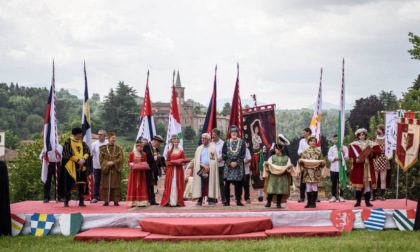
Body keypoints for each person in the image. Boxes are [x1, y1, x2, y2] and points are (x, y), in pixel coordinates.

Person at [349, 128, 381, 207]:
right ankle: (358, 202)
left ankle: (367, 202)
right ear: (358, 136)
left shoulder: (370, 143)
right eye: (360, 135)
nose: (361, 136)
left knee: (367, 184)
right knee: (359, 185)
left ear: (365, 135)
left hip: (368, 166)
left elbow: (378, 151)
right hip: (359, 167)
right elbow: (351, 154)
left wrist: (371, 153)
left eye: (363, 135)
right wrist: (356, 159)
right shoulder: (354, 144)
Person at [59, 127, 91, 207]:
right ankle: (66, 201)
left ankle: (81, 201)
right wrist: (77, 160)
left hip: (81, 164)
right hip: (71, 166)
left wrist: (83, 159)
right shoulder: (68, 142)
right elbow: (66, 154)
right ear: (75, 134)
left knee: (82, 183)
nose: (81, 135)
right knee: (69, 183)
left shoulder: (82, 143)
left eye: (81, 134)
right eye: (79, 134)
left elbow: (87, 151)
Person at [297, 136, 325, 208]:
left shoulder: (318, 152)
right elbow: (302, 162)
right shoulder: (305, 152)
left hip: (316, 171)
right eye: (311, 141)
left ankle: (313, 202)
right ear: (308, 142)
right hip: (307, 171)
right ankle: (309, 202)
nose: (313, 142)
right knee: (308, 187)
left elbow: (322, 163)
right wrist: (300, 162)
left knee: (314, 186)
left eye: (314, 141)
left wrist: (322, 163)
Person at [192, 133, 219, 206]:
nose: (202, 140)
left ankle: (210, 200)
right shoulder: (199, 148)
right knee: (200, 185)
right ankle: (199, 200)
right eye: (202, 138)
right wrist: (203, 165)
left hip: (210, 169)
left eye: (204, 138)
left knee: (210, 184)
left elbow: (214, 160)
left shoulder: (212, 149)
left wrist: (209, 167)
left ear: (208, 140)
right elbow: (196, 160)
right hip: (201, 168)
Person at [263, 143, 294, 208]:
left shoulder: (286, 158)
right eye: (275, 149)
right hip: (273, 176)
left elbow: (289, 166)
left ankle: (278, 203)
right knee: (271, 190)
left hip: (282, 176)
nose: (275, 150)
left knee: (280, 190)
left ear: (280, 149)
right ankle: (268, 203)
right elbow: (269, 165)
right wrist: (267, 165)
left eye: (276, 149)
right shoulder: (272, 157)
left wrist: (287, 169)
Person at [222, 125, 246, 206]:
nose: (234, 133)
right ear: (230, 133)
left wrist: (236, 162)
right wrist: (230, 162)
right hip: (228, 166)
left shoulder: (242, 142)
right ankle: (227, 201)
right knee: (227, 184)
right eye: (232, 132)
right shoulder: (226, 142)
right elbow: (224, 154)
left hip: (238, 166)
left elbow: (243, 154)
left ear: (238, 133)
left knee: (238, 184)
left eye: (235, 132)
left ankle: (238, 200)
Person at [161, 134, 186, 207]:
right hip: (171, 170)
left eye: (177, 142)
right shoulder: (169, 151)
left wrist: (181, 163)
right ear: (172, 142)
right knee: (170, 184)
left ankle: (178, 201)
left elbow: (183, 161)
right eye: (174, 142)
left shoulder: (181, 151)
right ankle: (170, 200)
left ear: (179, 142)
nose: (176, 143)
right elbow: (167, 161)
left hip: (178, 170)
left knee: (177, 184)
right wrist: (170, 163)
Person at [99, 132, 124, 206]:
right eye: (113, 138)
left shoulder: (118, 148)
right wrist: (106, 163)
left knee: (116, 185)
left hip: (115, 170)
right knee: (106, 184)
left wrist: (114, 162)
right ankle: (106, 201)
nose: (114, 139)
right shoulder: (103, 148)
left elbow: (121, 158)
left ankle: (116, 201)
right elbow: (101, 159)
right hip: (106, 170)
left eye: (115, 138)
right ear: (108, 138)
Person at [143, 135, 165, 205]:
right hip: (148, 169)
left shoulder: (157, 149)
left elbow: (159, 160)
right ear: (155, 141)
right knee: (149, 184)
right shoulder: (147, 146)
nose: (159, 145)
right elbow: (146, 157)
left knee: (152, 184)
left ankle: (152, 200)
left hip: (154, 170)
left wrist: (160, 158)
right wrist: (154, 157)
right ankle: (149, 199)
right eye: (159, 143)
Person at [372, 124, 392, 201]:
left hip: (384, 158)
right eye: (377, 129)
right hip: (376, 159)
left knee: (383, 179)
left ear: (383, 130)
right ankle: (373, 195)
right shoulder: (374, 139)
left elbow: (390, 149)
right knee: (375, 178)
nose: (378, 130)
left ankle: (382, 195)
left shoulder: (387, 139)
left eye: (379, 129)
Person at [126, 139, 148, 207]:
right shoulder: (132, 154)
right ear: (137, 146)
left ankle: (141, 202)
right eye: (140, 147)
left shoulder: (144, 154)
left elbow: (145, 162)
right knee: (133, 186)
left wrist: (142, 165)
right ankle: (132, 201)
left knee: (141, 185)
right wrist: (131, 164)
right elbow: (128, 162)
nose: (141, 148)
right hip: (134, 173)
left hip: (141, 173)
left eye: (142, 147)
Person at [327, 134, 349, 202]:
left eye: (337, 139)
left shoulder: (344, 148)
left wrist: (343, 152)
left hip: (341, 168)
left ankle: (341, 196)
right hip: (334, 168)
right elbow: (329, 157)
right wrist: (335, 158)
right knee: (334, 183)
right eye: (335, 139)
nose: (336, 140)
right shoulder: (332, 148)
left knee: (341, 182)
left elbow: (347, 157)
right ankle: (333, 196)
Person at [90, 130, 108, 203]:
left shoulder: (108, 143)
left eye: (101, 134)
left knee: (106, 182)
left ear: (104, 135)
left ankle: (106, 197)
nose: (99, 136)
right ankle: (95, 197)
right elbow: (90, 153)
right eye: (98, 134)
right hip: (97, 166)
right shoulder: (94, 144)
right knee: (96, 182)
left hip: (106, 166)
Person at [210, 128, 226, 204]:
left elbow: (225, 154)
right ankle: (214, 199)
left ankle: (223, 198)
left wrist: (220, 158)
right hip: (213, 166)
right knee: (213, 183)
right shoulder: (210, 143)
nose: (212, 136)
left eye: (214, 135)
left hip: (221, 166)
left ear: (218, 135)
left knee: (221, 182)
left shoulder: (223, 143)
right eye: (212, 134)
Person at [297, 128, 312, 203]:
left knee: (313, 180)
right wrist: (301, 152)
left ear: (308, 133)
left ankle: (314, 197)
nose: (303, 134)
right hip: (304, 162)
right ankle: (302, 197)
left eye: (304, 133)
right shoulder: (302, 141)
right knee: (303, 180)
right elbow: (299, 151)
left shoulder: (313, 140)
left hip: (312, 163)